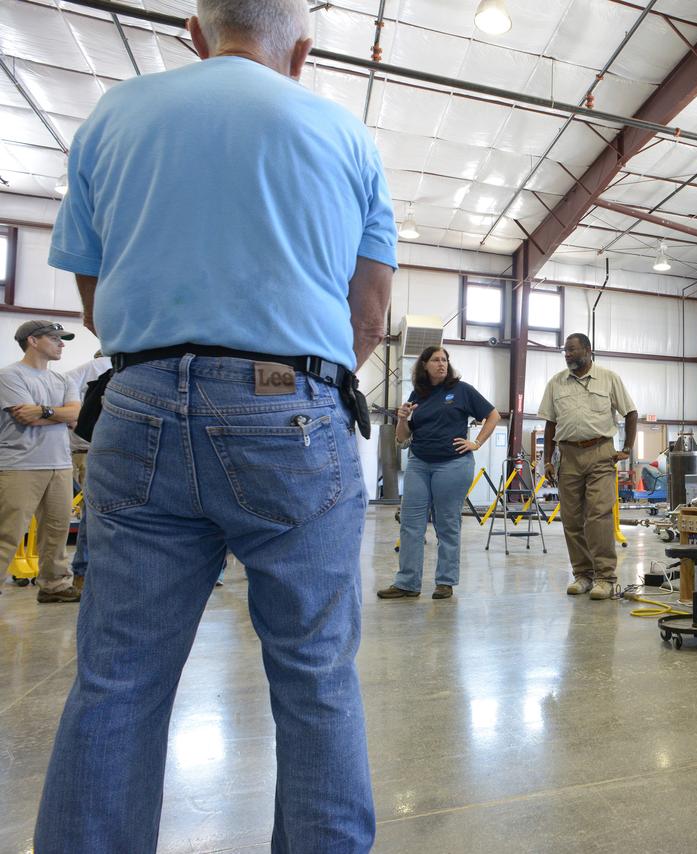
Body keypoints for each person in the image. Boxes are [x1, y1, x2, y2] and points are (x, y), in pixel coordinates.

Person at [36, 1, 396, 850]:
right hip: (292, 413)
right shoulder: (346, 136)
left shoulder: (115, 116)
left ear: (195, 37)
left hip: (137, 404)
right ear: (302, 50)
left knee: (117, 680)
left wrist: (162, 358)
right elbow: (370, 315)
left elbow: (95, 287)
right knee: (316, 680)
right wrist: (288, 378)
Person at [378, 345, 499, 601]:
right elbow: (402, 438)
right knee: (411, 524)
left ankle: (445, 582)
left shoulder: (461, 391)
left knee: (447, 524)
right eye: (435, 360)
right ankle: (407, 582)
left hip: (452, 465)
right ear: (425, 365)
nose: (442, 364)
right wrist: (401, 418)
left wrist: (475, 443)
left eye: (445, 360)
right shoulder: (417, 394)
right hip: (419, 464)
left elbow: (493, 415)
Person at [538, 332, 637, 600]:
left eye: (571, 350)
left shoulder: (608, 378)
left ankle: (605, 577)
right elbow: (550, 423)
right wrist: (548, 460)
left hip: (601, 452)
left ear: (588, 350)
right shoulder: (556, 383)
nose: (567, 354)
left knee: (598, 514)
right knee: (571, 518)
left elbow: (630, 412)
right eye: (565, 351)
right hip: (568, 454)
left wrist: (626, 448)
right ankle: (583, 574)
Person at [0, 320, 81, 603]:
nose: (61, 344)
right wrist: (59, 416)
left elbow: (74, 415)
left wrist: (45, 411)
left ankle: (55, 585)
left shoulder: (63, 380)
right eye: (55, 338)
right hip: (20, 464)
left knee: (57, 530)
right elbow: (26, 417)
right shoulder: (10, 376)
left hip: (60, 464)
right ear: (33, 341)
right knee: (8, 532)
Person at [61, 350, 111, 589]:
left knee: (91, 512)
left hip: (91, 450)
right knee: (92, 512)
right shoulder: (103, 370)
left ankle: (83, 572)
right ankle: (83, 571)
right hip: (93, 452)